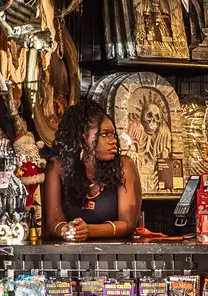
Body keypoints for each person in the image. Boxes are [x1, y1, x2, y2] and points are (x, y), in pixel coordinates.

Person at [42, 100, 141, 243]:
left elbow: (128, 224)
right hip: (68, 257)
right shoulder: (58, 167)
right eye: (105, 134)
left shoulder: (124, 166)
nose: (113, 140)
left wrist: (88, 230)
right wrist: (68, 230)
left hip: (115, 257)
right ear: (83, 137)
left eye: (113, 134)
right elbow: (53, 223)